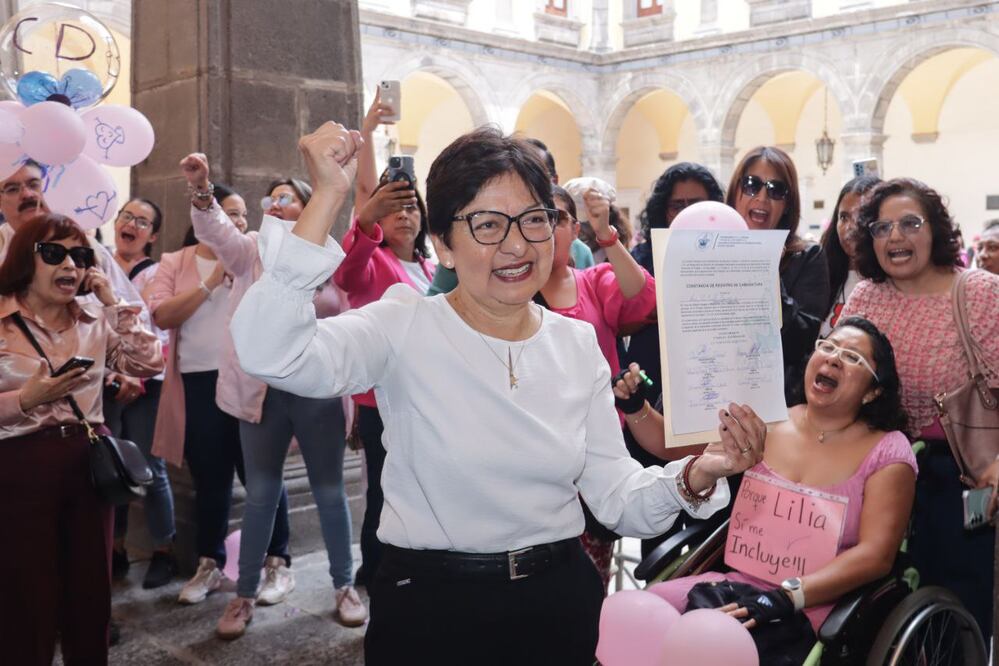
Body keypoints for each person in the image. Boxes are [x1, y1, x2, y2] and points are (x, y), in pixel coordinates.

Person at [230, 122, 764, 665]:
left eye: (534, 219)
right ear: (444, 244)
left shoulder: (576, 343)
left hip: (556, 604)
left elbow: (617, 497)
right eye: (487, 224)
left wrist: (698, 473)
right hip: (431, 611)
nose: (516, 245)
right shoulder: (403, 325)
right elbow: (271, 351)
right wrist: (327, 195)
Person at [615, 317, 916, 664]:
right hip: (730, 587)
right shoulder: (767, 421)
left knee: (703, 644)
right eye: (828, 346)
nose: (833, 358)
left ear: (873, 391)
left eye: (852, 357)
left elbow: (876, 555)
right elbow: (674, 449)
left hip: (815, 606)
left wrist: (789, 597)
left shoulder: (887, 451)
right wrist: (636, 407)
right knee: (632, 616)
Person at [179, 156, 366, 638]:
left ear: (310, 204)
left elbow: (346, 321)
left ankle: (344, 586)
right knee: (261, 493)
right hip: (259, 392)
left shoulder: (327, 256)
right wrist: (202, 190)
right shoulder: (251, 252)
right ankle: (244, 595)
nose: (276, 204)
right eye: (272, 198)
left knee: (329, 490)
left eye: (287, 197)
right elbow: (217, 230)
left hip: (315, 390)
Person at [0, 213, 163, 665]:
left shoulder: (94, 318)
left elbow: (149, 361)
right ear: (24, 259)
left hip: (87, 463)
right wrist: (25, 398)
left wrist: (112, 300)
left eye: (80, 255)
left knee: (89, 593)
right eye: (54, 253)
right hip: (17, 466)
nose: (69, 265)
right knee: (25, 595)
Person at [842, 177, 999, 641]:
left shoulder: (980, 293)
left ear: (936, 230)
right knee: (878, 609)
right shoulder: (866, 297)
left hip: (963, 479)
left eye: (910, 223)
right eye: (882, 227)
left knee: (958, 611)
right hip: (879, 474)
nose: (896, 236)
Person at [146, 182, 294, 610]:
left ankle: (277, 563)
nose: (241, 221)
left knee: (262, 475)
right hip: (197, 383)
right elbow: (162, 314)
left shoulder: (254, 257)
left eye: (244, 214)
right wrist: (211, 282)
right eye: (231, 213)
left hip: (249, 380)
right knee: (210, 479)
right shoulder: (176, 261)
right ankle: (209, 563)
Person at [541, 184, 656, 588]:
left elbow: (642, 296)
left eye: (558, 218)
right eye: (538, 217)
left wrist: (607, 233)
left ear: (575, 230)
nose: (547, 228)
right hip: (540, 450)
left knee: (589, 581)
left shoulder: (593, 281)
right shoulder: (510, 294)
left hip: (597, 451)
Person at [337, 133, 435, 589]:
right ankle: (376, 575)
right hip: (384, 400)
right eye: (394, 208)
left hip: (428, 397)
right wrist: (364, 220)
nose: (404, 215)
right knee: (384, 490)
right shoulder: (373, 261)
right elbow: (345, 274)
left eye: (412, 206)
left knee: (421, 488)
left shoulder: (433, 269)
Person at [623, 163, 727, 558]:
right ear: (662, 210)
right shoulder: (640, 259)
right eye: (676, 204)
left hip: (709, 396)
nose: (685, 212)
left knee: (711, 517)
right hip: (652, 399)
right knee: (658, 521)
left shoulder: (728, 257)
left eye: (695, 204)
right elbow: (626, 315)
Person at [105, 197, 179, 589]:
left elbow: (161, 331)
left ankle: (164, 550)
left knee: (150, 467)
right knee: (110, 466)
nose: (131, 224)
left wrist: (137, 374)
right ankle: (115, 548)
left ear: (152, 235)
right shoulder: (97, 262)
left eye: (142, 221)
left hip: (147, 383)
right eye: (127, 216)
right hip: (106, 384)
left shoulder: (158, 273)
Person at [726, 147, 830, 405]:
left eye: (776, 190)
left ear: (787, 205)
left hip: (776, 402)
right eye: (751, 185)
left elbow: (800, 343)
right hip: (714, 390)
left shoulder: (808, 256)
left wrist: (766, 274)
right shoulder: (710, 252)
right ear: (735, 192)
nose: (762, 197)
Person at [818, 176, 880, 336]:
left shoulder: (888, 285)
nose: (850, 227)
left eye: (861, 217)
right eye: (844, 217)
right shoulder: (823, 274)